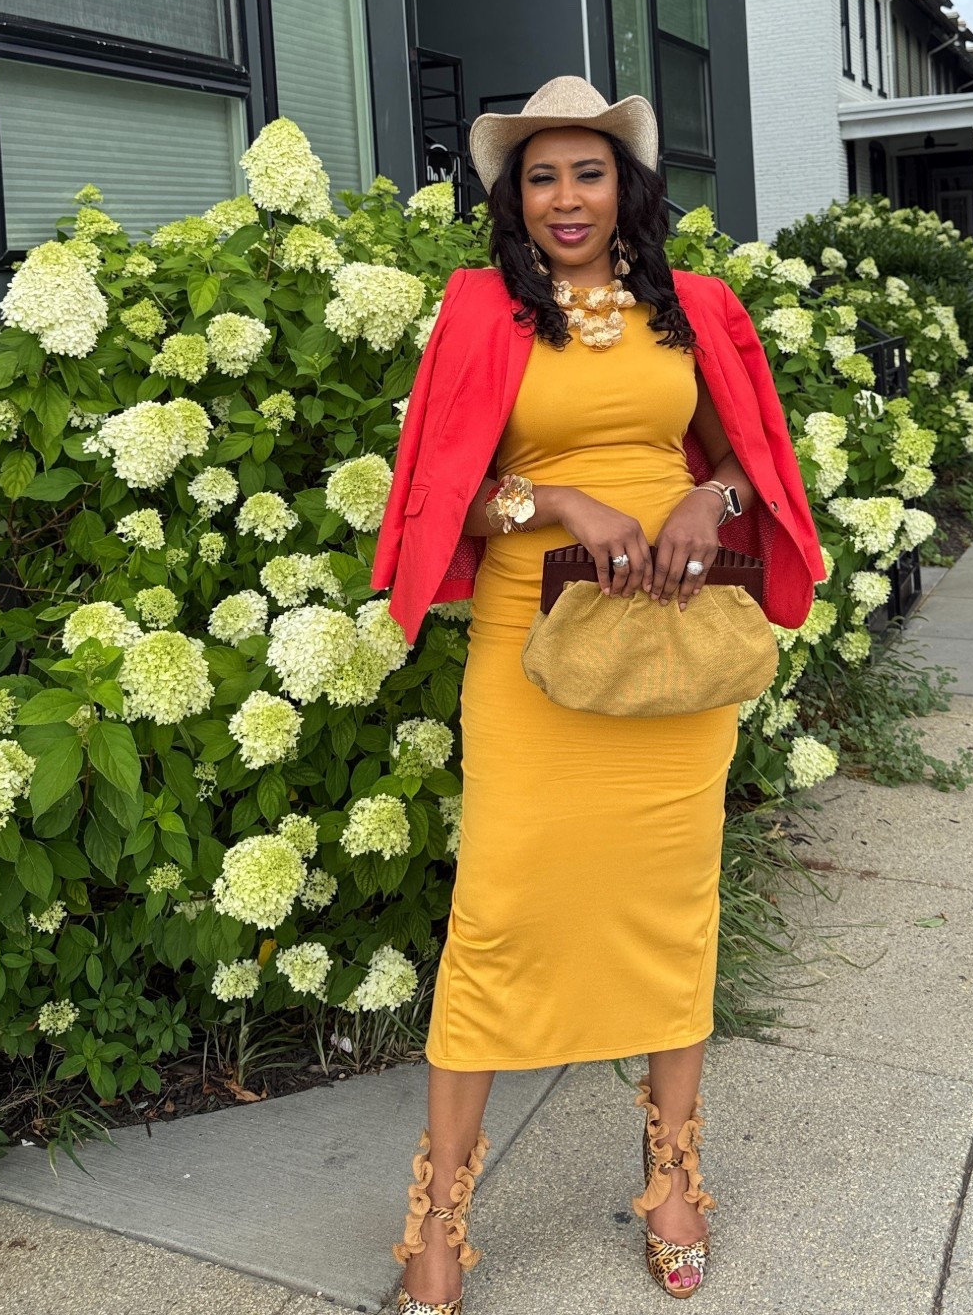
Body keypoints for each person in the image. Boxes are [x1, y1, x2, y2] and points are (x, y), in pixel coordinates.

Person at [372, 76, 821, 1310]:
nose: (566, 197)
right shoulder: (479, 314)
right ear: (513, 198)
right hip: (532, 631)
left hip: (669, 638)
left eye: (588, 171)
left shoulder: (699, 306)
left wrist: (707, 494)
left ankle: (673, 1175)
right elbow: (436, 495)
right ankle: (440, 1212)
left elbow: (752, 455)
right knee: (501, 909)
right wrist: (554, 496)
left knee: (670, 904)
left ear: (628, 183)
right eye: (540, 176)